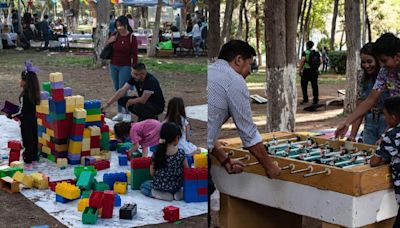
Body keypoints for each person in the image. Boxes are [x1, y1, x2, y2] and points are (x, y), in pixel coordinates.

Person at [208, 40, 281, 177]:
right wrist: (270, 167)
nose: (250, 72)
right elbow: (249, 134)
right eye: (250, 65)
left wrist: (224, 160)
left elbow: (208, 130)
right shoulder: (234, 80)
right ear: (239, 60)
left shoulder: (210, 70)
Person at [335, 33, 400, 139]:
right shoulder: (384, 72)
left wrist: (388, 134)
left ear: (397, 57)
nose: (381, 65)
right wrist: (347, 122)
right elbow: (370, 100)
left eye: (384, 61)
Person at [348, 43, 389, 144]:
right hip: (370, 123)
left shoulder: (388, 75)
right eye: (363, 62)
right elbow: (360, 105)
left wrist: (385, 135)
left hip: (387, 121)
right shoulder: (362, 76)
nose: (366, 65)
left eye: (369, 61)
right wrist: (352, 135)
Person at [370, 96, 400, 227]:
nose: (384, 118)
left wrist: (382, 142)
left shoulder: (392, 135)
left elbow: (374, 162)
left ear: (393, 117)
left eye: (385, 115)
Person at [140, 122, 189, 201]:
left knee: (144, 185)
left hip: (160, 186)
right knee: (178, 187)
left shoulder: (157, 152)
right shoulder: (181, 153)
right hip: (176, 185)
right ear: (176, 138)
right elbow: (187, 170)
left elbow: (152, 173)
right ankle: (177, 193)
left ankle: (158, 194)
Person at [7, 61, 41, 170]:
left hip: (25, 121)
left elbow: (20, 111)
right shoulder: (35, 94)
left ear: (26, 82)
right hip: (33, 119)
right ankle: (34, 159)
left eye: (21, 79)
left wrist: (10, 114)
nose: (19, 81)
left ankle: (28, 161)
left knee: (27, 140)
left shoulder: (23, 95)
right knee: (34, 139)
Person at [106, 15, 138, 122]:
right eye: (117, 26)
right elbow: (107, 45)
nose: (119, 28)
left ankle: (126, 113)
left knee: (123, 90)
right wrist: (110, 41)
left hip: (125, 66)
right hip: (113, 65)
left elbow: (135, 55)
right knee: (117, 89)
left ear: (126, 25)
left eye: (121, 25)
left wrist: (134, 69)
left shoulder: (132, 38)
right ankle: (120, 112)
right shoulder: (115, 35)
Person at [299, 40, 321, 105]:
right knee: (315, 86)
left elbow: (302, 61)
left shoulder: (305, 52)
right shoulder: (317, 52)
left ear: (307, 46)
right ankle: (315, 100)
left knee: (303, 85)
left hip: (307, 71)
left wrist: (300, 70)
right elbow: (321, 61)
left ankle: (305, 99)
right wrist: (316, 67)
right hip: (314, 71)